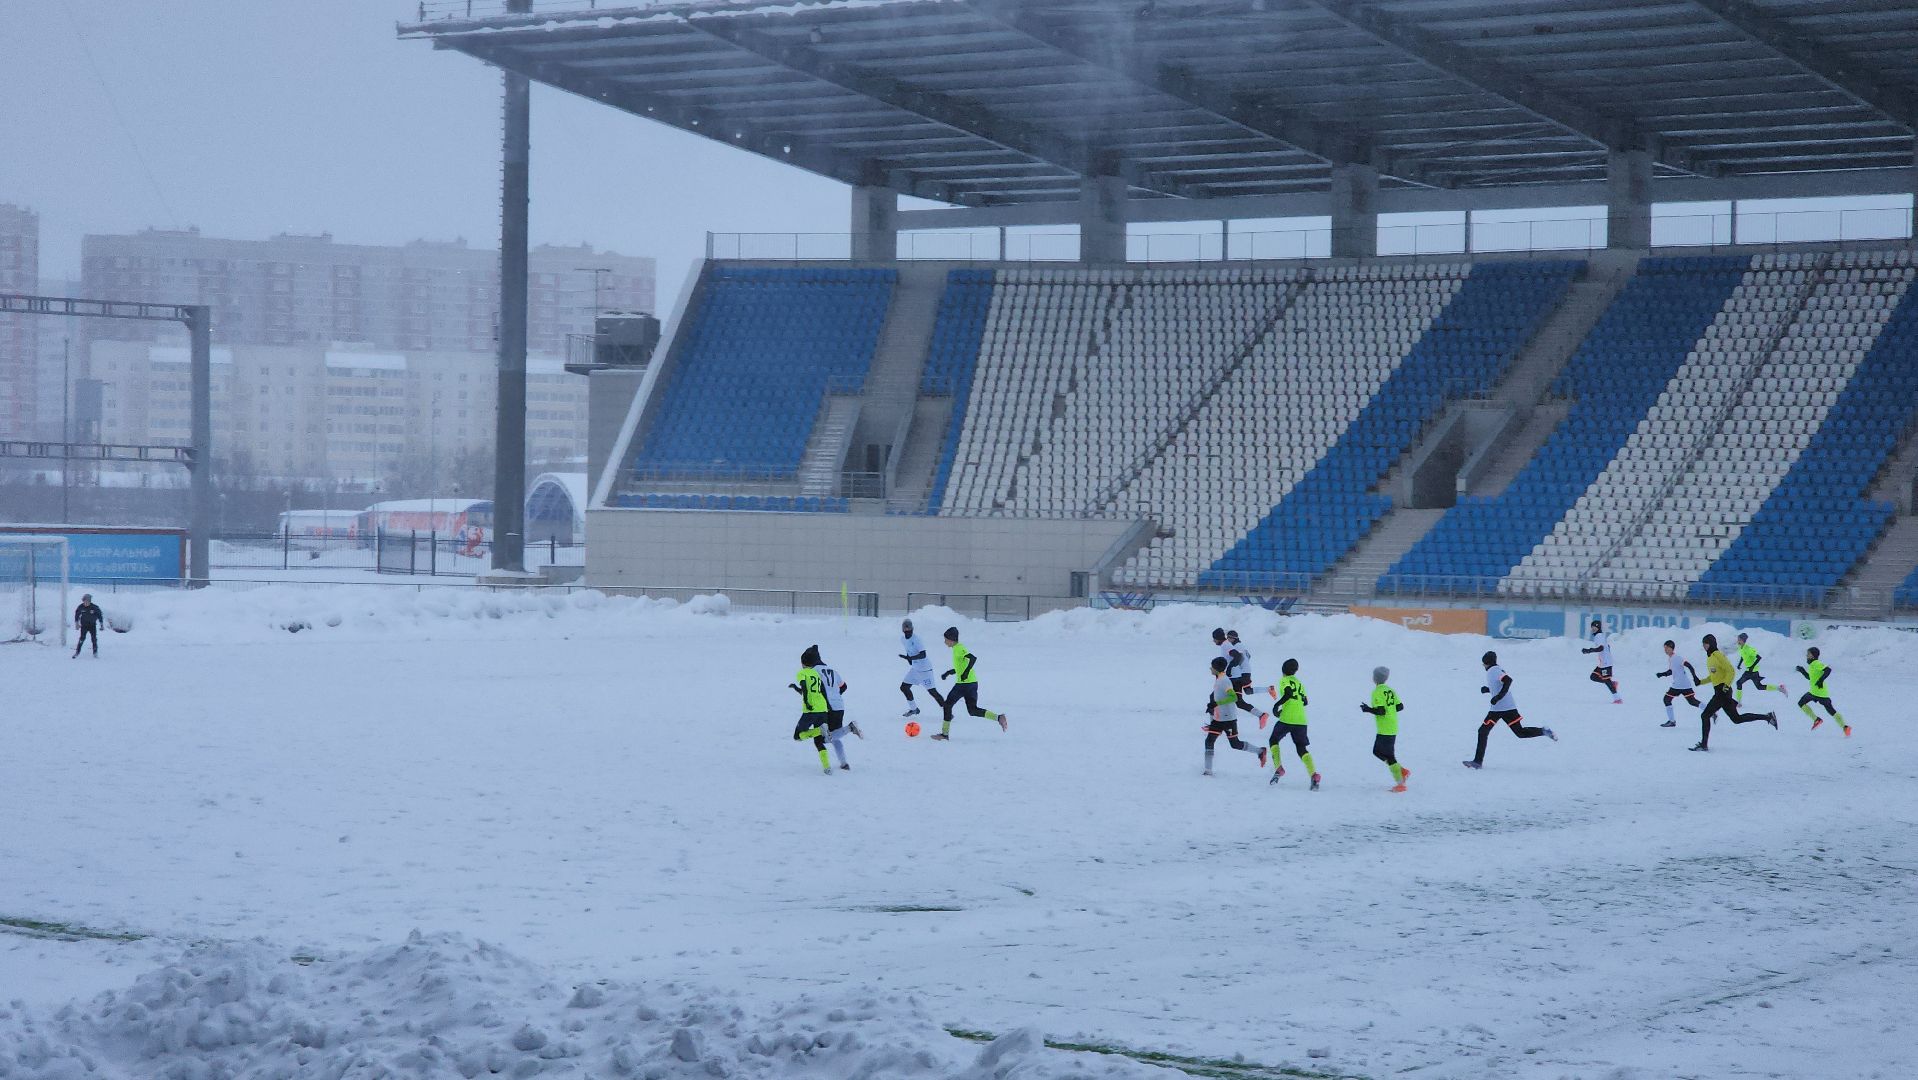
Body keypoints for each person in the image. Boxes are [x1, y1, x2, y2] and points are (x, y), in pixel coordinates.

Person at [1463, 650, 1555, 769]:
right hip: (1509, 708)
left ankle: (1477, 762)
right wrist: (1488, 689)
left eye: (1483, 664)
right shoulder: (1498, 669)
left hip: (1498, 709)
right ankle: (1543, 731)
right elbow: (1500, 685)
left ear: (1487, 663)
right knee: (1520, 733)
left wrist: (1498, 697)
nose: (1483, 666)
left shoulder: (1493, 671)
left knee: (1483, 731)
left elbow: (1508, 681)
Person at [1692, 633, 1776, 752]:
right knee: (1737, 719)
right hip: (1721, 692)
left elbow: (1731, 671)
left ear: (1711, 644)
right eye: (1703, 643)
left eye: (1706, 643)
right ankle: (1767, 717)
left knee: (1705, 715)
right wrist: (1701, 682)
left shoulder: (1718, 655)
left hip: (1722, 691)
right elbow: (1714, 676)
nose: (1704, 646)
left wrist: (1726, 686)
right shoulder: (1710, 658)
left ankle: (1704, 745)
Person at [934, 626, 1006, 741]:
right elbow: (961, 666)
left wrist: (966, 673)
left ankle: (944, 734)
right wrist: (949, 672)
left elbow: (972, 658)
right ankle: (999, 718)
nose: (944, 641)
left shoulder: (959, 648)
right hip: (972, 683)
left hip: (963, 685)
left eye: (945, 639)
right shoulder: (956, 649)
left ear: (951, 639)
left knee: (947, 705)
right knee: (973, 710)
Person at [1204, 656, 1267, 776]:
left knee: (1235, 744)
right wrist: (1212, 706)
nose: (1210, 668)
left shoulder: (1224, 681)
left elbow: (1234, 697)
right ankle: (1208, 771)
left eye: (1211, 666)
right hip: (1219, 719)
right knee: (1209, 741)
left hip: (1228, 719)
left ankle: (1260, 751)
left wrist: (1217, 703)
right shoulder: (1219, 679)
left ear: (1216, 669)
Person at [1266, 657, 1317, 789]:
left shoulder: (1284, 680)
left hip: (1287, 718)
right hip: (1301, 719)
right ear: (1295, 671)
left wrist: (1276, 705)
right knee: (1301, 748)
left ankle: (1278, 768)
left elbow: (1288, 693)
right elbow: (1305, 701)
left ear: (1282, 670)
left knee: (1273, 740)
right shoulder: (1299, 683)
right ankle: (1314, 775)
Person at [1359, 665, 1411, 793]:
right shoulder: (1390, 690)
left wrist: (1367, 709)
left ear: (1374, 678)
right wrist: (1390, 710)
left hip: (1385, 728)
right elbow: (1400, 707)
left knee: (1384, 754)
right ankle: (1402, 771)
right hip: (1392, 725)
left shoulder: (1377, 692)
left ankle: (1401, 782)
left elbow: (1381, 711)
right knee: (1379, 752)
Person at [789, 645, 836, 775]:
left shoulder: (802, 673)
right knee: (818, 741)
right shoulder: (816, 673)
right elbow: (821, 691)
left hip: (811, 710)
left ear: (802, 663)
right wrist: (828, 706)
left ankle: (819, 730)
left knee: (797, 736)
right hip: (822, 709)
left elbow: (805, 687)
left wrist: (807, 702)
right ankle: (827, 767)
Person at [815, 649, 863, 770]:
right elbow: (844, 686)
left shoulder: (813, 671)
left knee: (824, 738)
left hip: (827, 706)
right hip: (839, 706)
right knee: (834, 735)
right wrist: (835, 694)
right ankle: (844, 763)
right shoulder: (833, 671)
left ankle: (850, 728)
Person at [1210, 628, 1266, 728]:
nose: (1213, 641)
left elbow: (1238, 656)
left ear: (1218, 638)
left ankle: (1213, 725)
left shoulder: (1225, 645)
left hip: (1231, 678)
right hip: (1236, 677)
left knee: (1213, 697)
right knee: (1239, 702)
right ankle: (1261, 715)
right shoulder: (1226, 644)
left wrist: (1230, 668)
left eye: (1214, 639)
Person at [1793, 647, 1849, 736]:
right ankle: (1844, 727)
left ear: (1813, 655)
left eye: (1809, 653)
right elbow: (1809, 678)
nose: (1807, 655)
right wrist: (1802, 671)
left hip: (1820, 693)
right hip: (1814, 692)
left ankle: (1819, 720)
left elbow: (1828, 670)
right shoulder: (1812, 665)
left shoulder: (1816, 663)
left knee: (1829, 710)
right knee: (1802, 703)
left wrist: (1820, 680)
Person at [896, 618, 943, 719]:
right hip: (915, 669)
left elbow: (923, 654)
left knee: (933, 692)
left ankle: (947, 711)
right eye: (906, 630)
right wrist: (909, 659)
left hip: (925, 670)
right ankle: (914, 709)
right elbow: (909, 651)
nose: (908, 631)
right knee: (904, 687)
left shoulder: (917, 639)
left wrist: (910, 658)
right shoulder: (903, 639)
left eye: (910, 629)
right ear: (903, 630)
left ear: (913, 629)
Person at [1655, 640, 1702, 728]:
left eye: (1666, 648)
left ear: (1671, 648)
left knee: (1666, 699)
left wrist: (1695, 677)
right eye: (1664, 648)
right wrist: (1662, 674)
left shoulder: (1677, 657)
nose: (1665, 650)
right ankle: (1711, 711)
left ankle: (1672, 721)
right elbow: (1671, 671)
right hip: (1685, 684)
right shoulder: (1672, 658)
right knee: (1692, 701)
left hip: (1678, 685)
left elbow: (1689, 665)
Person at [1226, 630, 1273, 711]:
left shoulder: (1237, 646)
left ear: (1233, 638)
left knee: (1244, 691)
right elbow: (1248, 656)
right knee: (1247, 691)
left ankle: (1268, 690)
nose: (1227, 640)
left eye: (1228, 638)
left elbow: (1239, 658)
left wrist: (1232, 667)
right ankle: (1269, 689)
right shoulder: (1241, 645)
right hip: (1245, 671)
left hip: (1243, 672)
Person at [1734, 632, 1787, 702]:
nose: (1737, 641)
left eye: (1739, 639)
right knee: (1759, 687)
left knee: (1739, 683)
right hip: (1750, 671)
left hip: (1752, 671)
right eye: (1737, 639)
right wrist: (1739, 664)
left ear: (1743, 640)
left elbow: (1759, 657)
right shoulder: (1741, 648)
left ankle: (1738, 702)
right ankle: (1779, 688)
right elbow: (1743, 656)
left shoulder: (1749, 649)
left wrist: (1752, 667)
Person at [1580, 620, 1622, 704]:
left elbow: (1601, 648)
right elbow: (1607, 646)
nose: (1592, 629)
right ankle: (1612, 683)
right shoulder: (1599, 636)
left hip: (1606, 662)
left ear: (1598, 627)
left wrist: (1589, 650)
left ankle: (1617, 699)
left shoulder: (1598, 636)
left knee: (1606, 680)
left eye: (1594, 627)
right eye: (1592, 627)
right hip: (1603, 662)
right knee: (1593, 677)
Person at [72, 594, 105, 659]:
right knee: (82, 638)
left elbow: (100, 616)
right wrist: (77, 623)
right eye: (84, 601)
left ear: (90, 601)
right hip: (84, 626)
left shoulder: (94, 607)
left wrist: (101, 625)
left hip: (92, 626)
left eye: (87, 601)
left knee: (94, 639)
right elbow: (77, 615)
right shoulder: (81, 607)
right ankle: (77, 652)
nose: (86, 603)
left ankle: (95, 652)